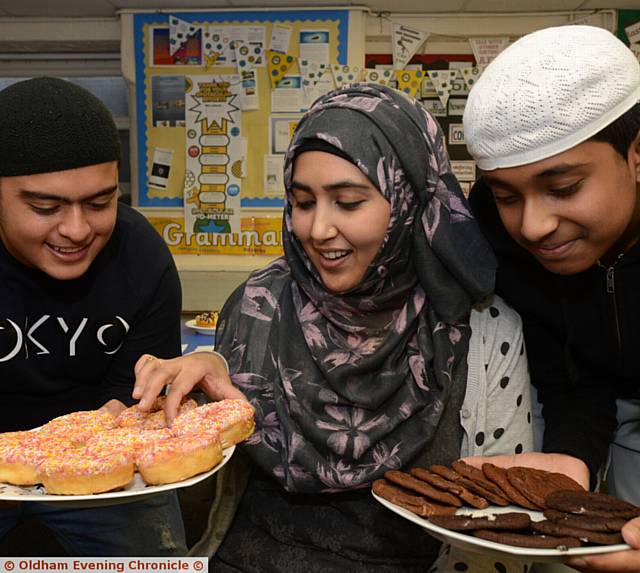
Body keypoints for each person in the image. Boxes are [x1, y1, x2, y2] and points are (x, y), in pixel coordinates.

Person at [136, 83, 534, 571]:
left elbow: (502, 534)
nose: (318, 229)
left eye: (347, 203)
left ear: (409, 200)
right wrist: (177, 412)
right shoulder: (255, 307)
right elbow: (209, 467)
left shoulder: (482, 331)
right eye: (303, 202)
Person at [462, 25, 640, 572]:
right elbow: (567, 364)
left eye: (562, 188)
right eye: (507, 195)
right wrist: (575, 454)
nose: (534, 227)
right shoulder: (496, 231)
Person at [0, 77, 188, 556]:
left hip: (103, 452)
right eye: (45, 207)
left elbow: (134, 397)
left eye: (101, 202)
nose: (78, 230)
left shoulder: (141, 256)